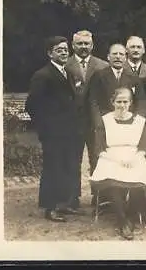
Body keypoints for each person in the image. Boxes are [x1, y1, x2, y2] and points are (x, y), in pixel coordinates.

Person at [25, 36, 84, 222]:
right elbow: (32, 105)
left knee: (66, 167)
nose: (64, 53)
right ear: (50, 53)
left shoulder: (67, 72)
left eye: (66, 49)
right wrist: (46, 128)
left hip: (69, 131)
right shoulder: (43, 75)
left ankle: (63, 204)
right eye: (59, 50)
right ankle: (50, 208)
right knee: (52, 168)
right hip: (53, 133)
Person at [89, 87, 146, 240]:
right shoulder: (105, 120)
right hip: (110, 157)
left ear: (130, 103)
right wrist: (117, 160)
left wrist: (133, 158)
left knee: (138, 181)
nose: (122, 105)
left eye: (125, 102)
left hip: (134, 156)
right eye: (119, 102)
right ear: (112, 102)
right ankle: (122, 221)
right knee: (113, 182)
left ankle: (130, 216)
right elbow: (99, 149)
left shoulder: (139, 121)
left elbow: (143, 147)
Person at [87, 43, 146, 174]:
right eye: (115, 54)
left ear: (126, 58)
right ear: (108, 57)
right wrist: (99, 122)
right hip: (104, 123)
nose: (118, 57)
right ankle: (99, 190)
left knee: (128, 157)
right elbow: (93, 100)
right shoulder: (99, 76)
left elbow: (141, 101)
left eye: (121, 54)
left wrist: (137, 119)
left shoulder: (133, 77)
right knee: (99, 156)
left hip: (127, 122)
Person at [65, 30, 108, 208]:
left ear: (92, 45)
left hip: (95, 121)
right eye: (80, 44)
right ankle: (71, 197)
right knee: (72, 159)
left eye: (87, 44)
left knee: (98, 158)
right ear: (73, 46)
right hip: (72, 121)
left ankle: (99, 196)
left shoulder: (102, 66)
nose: (83, 47)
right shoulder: (65, 65)